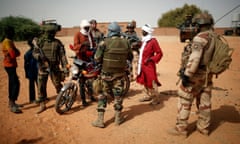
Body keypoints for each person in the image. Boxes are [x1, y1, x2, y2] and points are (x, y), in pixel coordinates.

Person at [168, 12, 216, 137]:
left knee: (185, 98)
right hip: (207, 74)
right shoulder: (214, 37)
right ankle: (203, 128)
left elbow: (195, 59)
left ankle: (181, 129)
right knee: (204, 102)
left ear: (198, 25)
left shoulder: (200, 38)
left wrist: (186, 76)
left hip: (195, 75)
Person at [92, 22, 133, 128]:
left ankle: (100, 120)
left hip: (106, 75)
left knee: (102, 96)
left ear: (110, 31)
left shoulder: (104, 43)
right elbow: (130, 57)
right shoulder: (126, 42)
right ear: (119, 31)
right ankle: (118, 119)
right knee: (118, 97)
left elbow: (97, 58)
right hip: (119, 75)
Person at [32, 23, 69, 114]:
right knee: (41, 86)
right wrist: (39, 57)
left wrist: (65, 67)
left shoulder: (57, 43)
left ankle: (61, 98)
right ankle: (42, 104)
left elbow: (62, 56)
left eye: (53, 33)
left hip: (55, 68)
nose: (52, 34)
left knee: (57, 84)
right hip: (43, 67)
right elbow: (35, 52)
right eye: (51, 33)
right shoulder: (40, 42)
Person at [70, 19, 97, 106]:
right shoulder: (78, 34)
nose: (87, 29)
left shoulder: (90, 35)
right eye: (85, 27)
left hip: (89, 60)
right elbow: (75, 46)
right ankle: (83, 100)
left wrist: (93, 49)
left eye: (88, 27)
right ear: (82, 27)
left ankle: (91, 95)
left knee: (90, 80)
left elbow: (93, 44)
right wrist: (83, 45)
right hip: (80, 60)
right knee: (81, 80)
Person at [137, 24, 163, 105]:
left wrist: (151, 59)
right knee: (144, 80)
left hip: (149, 65)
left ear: (147, 32)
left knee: (151, 81)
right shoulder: (144, 40)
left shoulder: (153, 41)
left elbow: (159, 53)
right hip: (142, 65)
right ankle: (148, 95)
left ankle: (156, 98)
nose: (142, 32)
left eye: (143, 31)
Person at [1, 26, 22, 113]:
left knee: (13, 83)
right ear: (9, 33)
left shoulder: (9, 41)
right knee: (15, 84)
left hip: (10, 65)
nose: (14, 34)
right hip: (9, 65)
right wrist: (15, 51)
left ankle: (12, 101)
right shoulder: (8, 42)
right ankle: (12, 104)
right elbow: (14, 54)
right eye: (12, 32)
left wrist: (15, 52)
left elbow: (18, 53)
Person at [24, 38, 39, 103]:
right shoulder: (31, 53)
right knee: (39, 85)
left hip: (32, 71)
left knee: (33, 85)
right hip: (34, 71)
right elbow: (26, 64)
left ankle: (33, 99)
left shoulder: (27, 53)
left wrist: (26, 73)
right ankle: (36, 98)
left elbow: (25, 65)